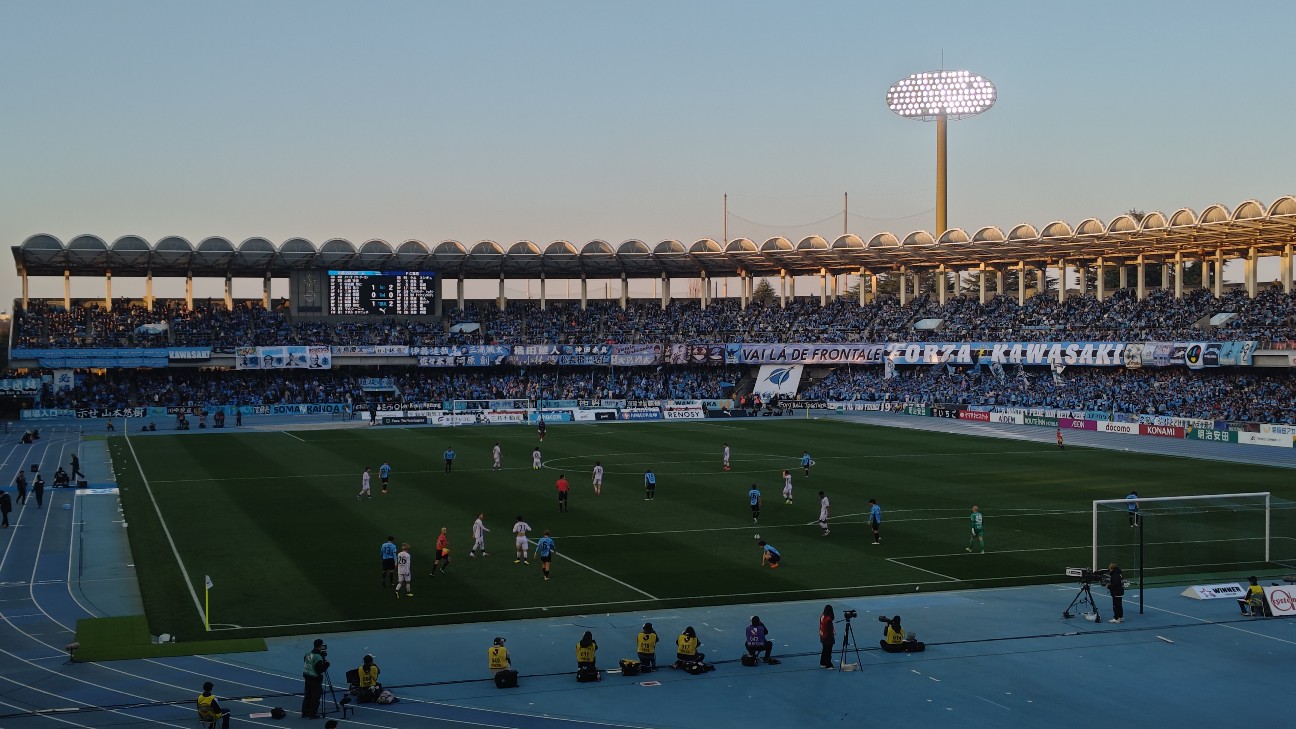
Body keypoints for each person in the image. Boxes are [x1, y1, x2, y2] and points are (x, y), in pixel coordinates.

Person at [301, 638, 330, 719]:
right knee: (315, 697)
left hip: (307, 677)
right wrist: (327, 664)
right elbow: (320, 670)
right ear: (320, 646)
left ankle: (304, 712)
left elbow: (306, 662)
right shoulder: (318, 657)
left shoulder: (307, 653)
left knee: (307, 696)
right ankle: (312, 713)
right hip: (315, 679)